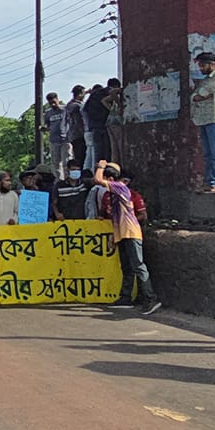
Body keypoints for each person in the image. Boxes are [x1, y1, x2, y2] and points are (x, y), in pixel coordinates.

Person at [95, 161, 161, 314]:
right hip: (121, 233)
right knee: (127, 267)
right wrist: (113, 236)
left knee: (138, 265)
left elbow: (97, 180)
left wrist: (100, 166)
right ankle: (125, 297)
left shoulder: (120, 187)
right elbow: (116, 218)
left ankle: (150, 298)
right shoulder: (112, 195)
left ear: (110, 178)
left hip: (131, 232)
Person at [189, 52, 215, 193]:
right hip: (203, 119)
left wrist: (197, 96)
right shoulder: (205, 79)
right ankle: (210, 182)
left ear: (212, 64)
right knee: (207, 153)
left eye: (202, 65)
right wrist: (197, 96)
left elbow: (202, 93)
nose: (200, 68)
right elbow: (195, 96)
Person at [82, 83, 112, 170]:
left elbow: (84, 111)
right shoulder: (105, 94)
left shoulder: (91, 99)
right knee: (107, 152)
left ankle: (97, 173)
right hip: (105, 126)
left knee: (96, 153)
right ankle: (106, 172)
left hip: (93, 128)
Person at [43, 92, 70, 175]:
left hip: (65, 139)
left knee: (66, 162)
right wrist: (44, 128)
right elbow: (47, 125)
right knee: (56, 163)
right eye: (51, 103)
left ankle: (67, 179)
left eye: (54, 102)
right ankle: (58, 181)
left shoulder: (65, 109)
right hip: (54, 140)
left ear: (58, 100)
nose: (53, 104)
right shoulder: (48, 113)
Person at [64, 87, 88, 171]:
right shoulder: (77, 106)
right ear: (80, 93)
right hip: (79, 135)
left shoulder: (70, 104)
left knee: (78, 156)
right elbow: (78, 122)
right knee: (81, 157)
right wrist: (84, 133)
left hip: (73, 135)